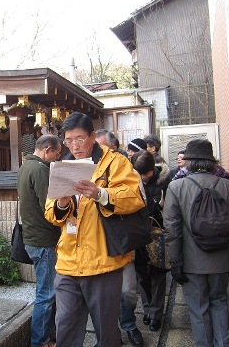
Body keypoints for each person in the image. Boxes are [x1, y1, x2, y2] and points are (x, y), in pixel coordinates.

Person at [44, 112, 145, 347]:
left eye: (79, 139)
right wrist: (62, 202)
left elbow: (135, 198)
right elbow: (51, 214)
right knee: (65, 328)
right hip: (68, 262)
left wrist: (99, 194)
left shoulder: (115, 162)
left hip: (103, 263)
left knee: (106, 332)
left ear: (92, 136)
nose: (74, 146)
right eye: (68, 141)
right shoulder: (63, 166)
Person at [163, 139, 229, 347]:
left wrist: (175, 263)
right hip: (222, 258)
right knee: (219, 302)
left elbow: (172, 230)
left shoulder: (176, 187)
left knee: (198, 308)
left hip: (191, 261)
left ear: (189, 162)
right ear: (212, 162)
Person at [95, 131, 144, 346]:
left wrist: (103, 195)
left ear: (113, 147)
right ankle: (109, 332)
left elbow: (137, 199)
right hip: (97, 242)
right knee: (103, 294)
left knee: (128, 291)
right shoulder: (85, 167)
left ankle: (129, 324)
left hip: (121, 240)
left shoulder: (125, 168)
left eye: (102, 148)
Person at [17, 134, 62, 347]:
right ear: (48, 150)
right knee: (46, 293)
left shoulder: (25, 167)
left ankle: (49, 335)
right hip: (43, 239)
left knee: (46, 290)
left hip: (32, 238)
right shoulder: (41, 169)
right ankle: (40, 341)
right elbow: (50, 206)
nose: (56, 159)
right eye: (56, 154)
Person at [131, 150, 171, 333]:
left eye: (144, 175)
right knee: (142, 274)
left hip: (159, 236)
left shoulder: (166, 182)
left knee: (157, 275)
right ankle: (146, 309)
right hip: (138, 236)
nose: (142, 178)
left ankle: (156, 314)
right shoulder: (132, 181)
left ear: (151, 170)